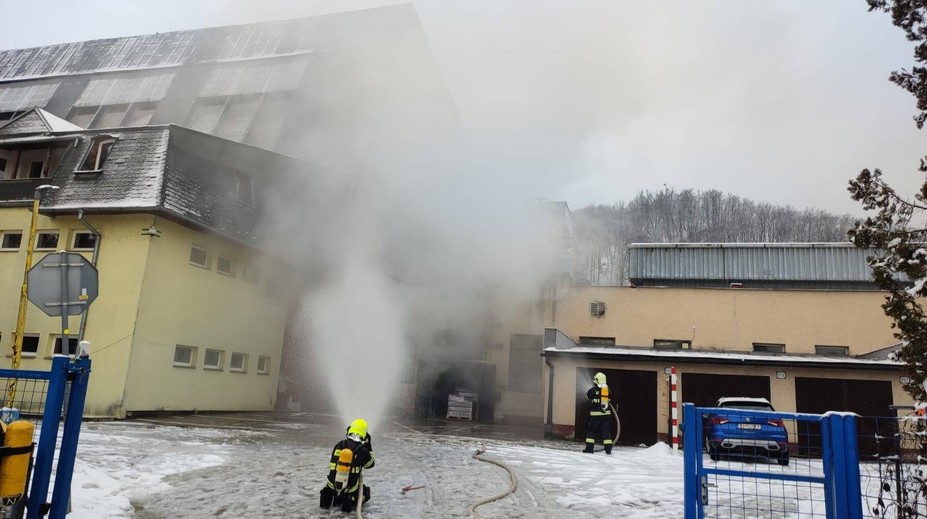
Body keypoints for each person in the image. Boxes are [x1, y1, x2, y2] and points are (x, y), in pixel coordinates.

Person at [320, 418, 375, 512]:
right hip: (350, 491)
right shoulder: (363, 450)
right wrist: (368, 447)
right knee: (366, 492)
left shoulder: (339, 445)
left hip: (332, 487)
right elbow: (370, 465)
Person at [583, 372, 613, 454]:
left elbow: (588, 398)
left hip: (595, 416)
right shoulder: (608, 391)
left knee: (591, 431)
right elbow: (609, 399)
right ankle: (608, 450)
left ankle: (589, 449)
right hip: (606, 415)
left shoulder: (593, 390)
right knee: (606, 432)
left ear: (596, 380)